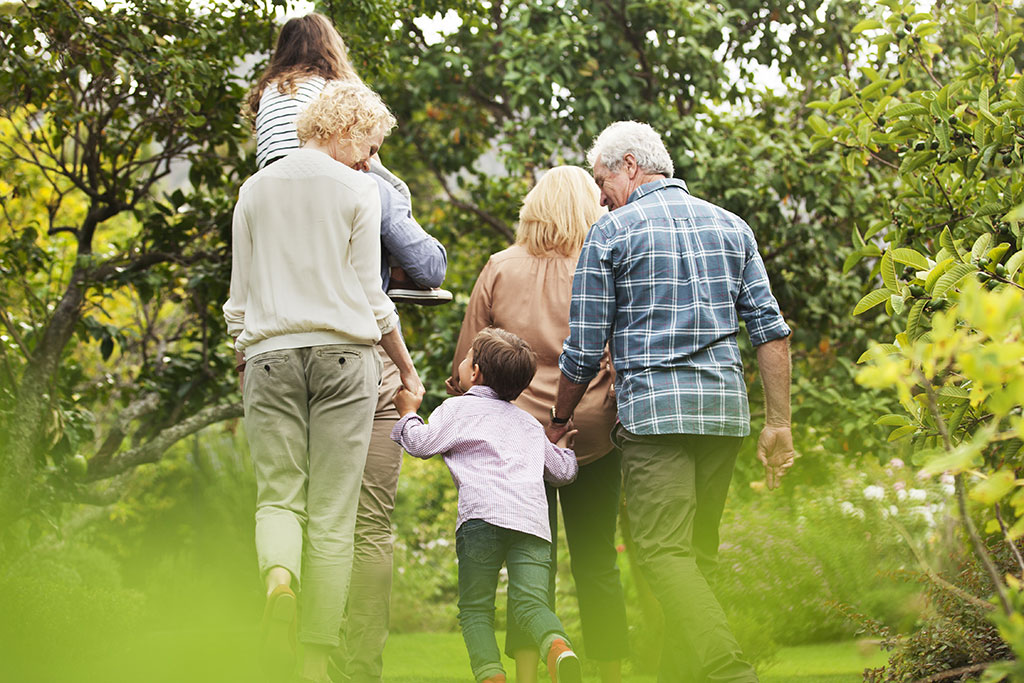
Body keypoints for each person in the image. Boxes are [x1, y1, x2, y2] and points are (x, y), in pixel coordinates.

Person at [547, 121, 795, 682]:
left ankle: (732, 671)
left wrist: (559, 419)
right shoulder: (733, 227)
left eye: (601, 179)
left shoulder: (609, 235)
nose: (599, 194)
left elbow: (584, 348)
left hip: (655, 418)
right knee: (695, 558)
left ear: (629, 166)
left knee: (662, 553)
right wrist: (778, 422)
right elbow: (771, 332)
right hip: (724, 417)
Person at [247, 15, 449, 683]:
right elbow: (377, 293)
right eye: (367, 145)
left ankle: (279, 579)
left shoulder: (256, 182)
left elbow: (237, 298)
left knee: (280, 500)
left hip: (272, 352)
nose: (369, 156)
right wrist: (408, 364)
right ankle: (323, 665)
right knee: (341, 520)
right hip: (346, 356)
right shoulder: (362, 185)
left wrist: (246, 348)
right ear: (346, 131)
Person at [449, 166, 628, 683]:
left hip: (514, 439)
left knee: (531, 564)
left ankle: (527, 674)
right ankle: (609, 673)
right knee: (598, 561)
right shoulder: (600, 267)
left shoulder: (500, 268)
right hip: (588, 432)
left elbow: (468, 361)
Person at [391, 328, 584, 683]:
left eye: (466, 358)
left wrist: (407, 413)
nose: (461, 363)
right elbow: (561, 472)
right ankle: (558, 646)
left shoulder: (457, 409)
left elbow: (419, 444)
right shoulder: (527, 422)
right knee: (531, 605)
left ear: (475, 373)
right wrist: (565, 447)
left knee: (476, 610)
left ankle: (491, 675)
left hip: (481, 519)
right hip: (531, 523)